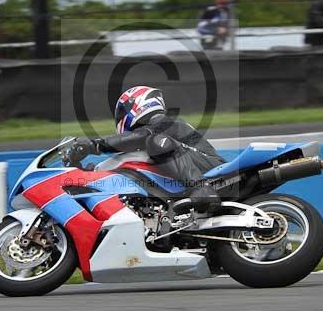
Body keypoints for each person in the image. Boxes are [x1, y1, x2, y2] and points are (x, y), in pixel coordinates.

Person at [68, 86, 225, 215]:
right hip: (193, 169)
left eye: (123, 112)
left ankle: (202, 189)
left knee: (156, 142)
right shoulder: (150, 135)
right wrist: (88, 174)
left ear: (138, 104)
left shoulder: (162, 123)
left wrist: (95, 145)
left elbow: (140, 137)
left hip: (211, 170)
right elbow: (126, 157)